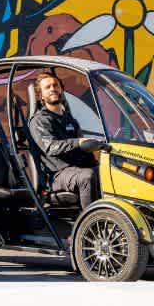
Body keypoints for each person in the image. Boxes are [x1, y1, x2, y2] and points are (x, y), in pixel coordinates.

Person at [28, 71, 109, 209]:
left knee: (109, 172)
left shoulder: (70, 119)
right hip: (57, 175)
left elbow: (82, 149)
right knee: (86, 177)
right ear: (40, 95)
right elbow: (51, 147)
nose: (53, 88)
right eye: (47, 87)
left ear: (61, 89)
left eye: (55, 85)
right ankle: (91, 224)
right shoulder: (39, 121)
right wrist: (78, 142)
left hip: (77, 169)